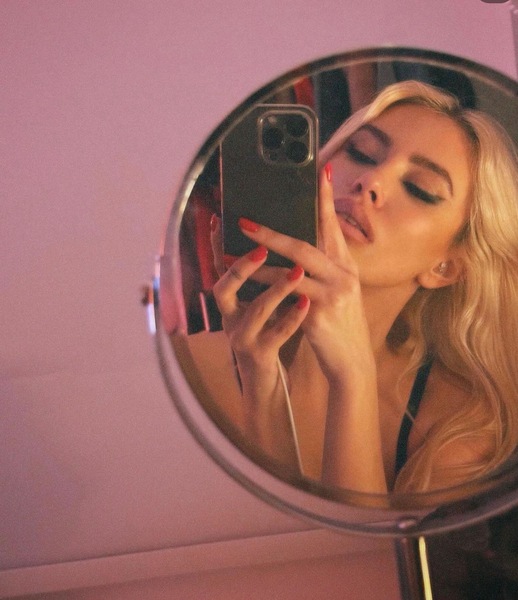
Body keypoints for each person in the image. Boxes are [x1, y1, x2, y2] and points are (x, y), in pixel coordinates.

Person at [189, 80, 518, 495]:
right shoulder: (188, 371)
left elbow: (347, 541)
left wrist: (353, 378)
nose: (371, 179)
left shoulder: (457, 425)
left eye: (420, 189)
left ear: (446, 267)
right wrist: (261, 385)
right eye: (361, 153)